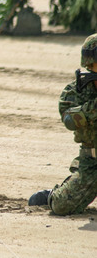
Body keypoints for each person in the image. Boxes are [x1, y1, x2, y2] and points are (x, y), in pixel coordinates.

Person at [29, 33, 97, 215]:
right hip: (92, 163)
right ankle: (54, 194)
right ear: (90, 63)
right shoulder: (75, 91)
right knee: (62, 206)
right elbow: (69, 120)